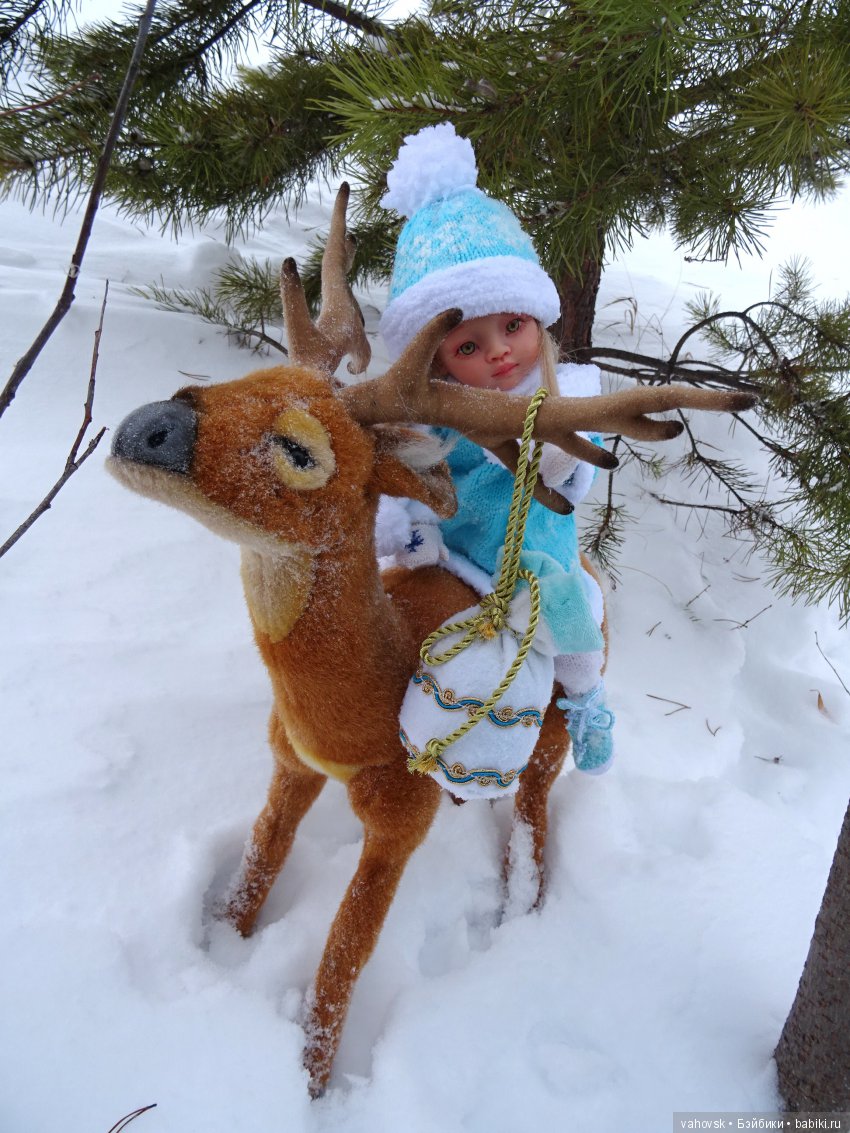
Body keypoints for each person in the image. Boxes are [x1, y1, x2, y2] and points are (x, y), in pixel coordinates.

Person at [379, 122, 615, 775]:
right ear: (441, 358)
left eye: (511, 326)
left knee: (574, 619)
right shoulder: (439, 422)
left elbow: (574, 474)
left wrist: (558, 449)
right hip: (459, 555)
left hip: (537, 555)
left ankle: (589, 702)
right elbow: (415, 477)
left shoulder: (566, 396)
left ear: (536, 321)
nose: (499, 352)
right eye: (469, 346)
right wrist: (411, 525)